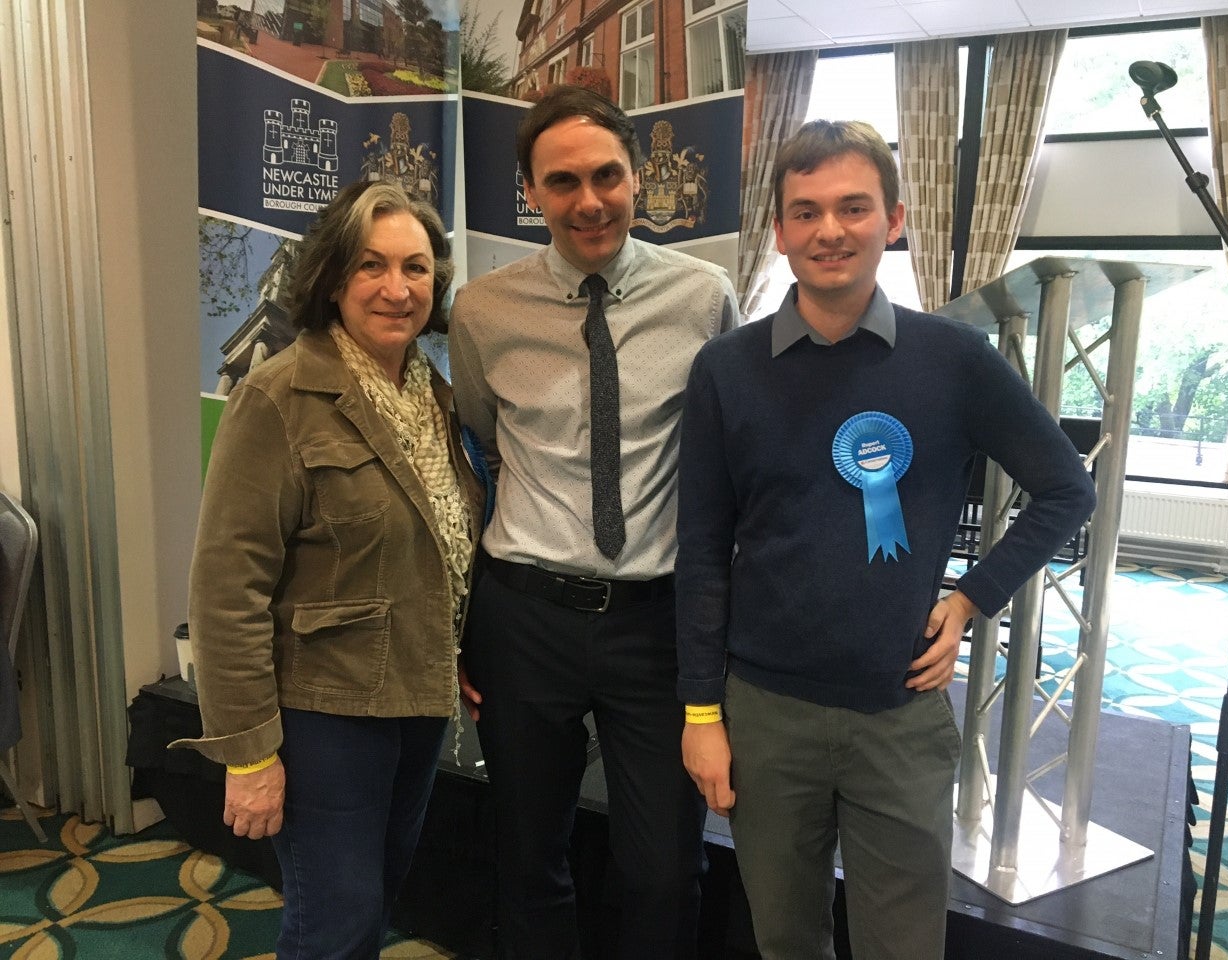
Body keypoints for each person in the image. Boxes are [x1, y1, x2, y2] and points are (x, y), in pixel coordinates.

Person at [676, 119, 1097, 960]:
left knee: (902, 947)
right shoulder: (725, 369)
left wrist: (975, 596)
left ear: (895, 220)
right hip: (764, 718)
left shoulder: (954, 359)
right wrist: (700, 714)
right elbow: (700, 550)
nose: (829, 230)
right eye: (805, 212)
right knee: (785, 939)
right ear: (779, 232)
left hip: (900, 717)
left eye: (853, 207)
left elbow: (1066, 489)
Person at [448, 85, 739, 960]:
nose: (589, 201)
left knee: (662, 869)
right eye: (562, 181)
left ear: (638, 178)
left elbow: (724, 453)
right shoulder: (481, 311)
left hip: (655, 624)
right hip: (524, 616)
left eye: (607, 175)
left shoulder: (704, 297)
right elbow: (484, 439)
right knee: (530, 853)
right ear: (530, 193)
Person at [173, 180, 483, 960]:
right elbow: (224, 588)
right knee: (334, 921)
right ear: (334, 278)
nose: (396, 287)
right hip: (324, 714)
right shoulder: (277, 398)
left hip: (416, 701)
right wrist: (247, 752)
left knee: (373, 900)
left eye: (416, 268)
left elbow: (439, 545)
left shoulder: (434, 395)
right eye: (371, 265)